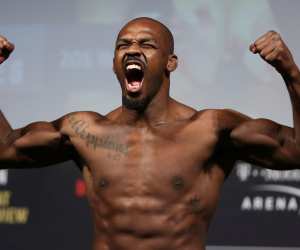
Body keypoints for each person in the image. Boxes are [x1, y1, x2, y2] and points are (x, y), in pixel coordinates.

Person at [0, 17, 300, 250]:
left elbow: (296, 150)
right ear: (115, 64)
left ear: (171, 62)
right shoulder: (84, 130)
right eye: (123, 45)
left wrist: (291, 72)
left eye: (147, 44)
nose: (132, 49)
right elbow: (4, 149)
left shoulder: (210, 130)